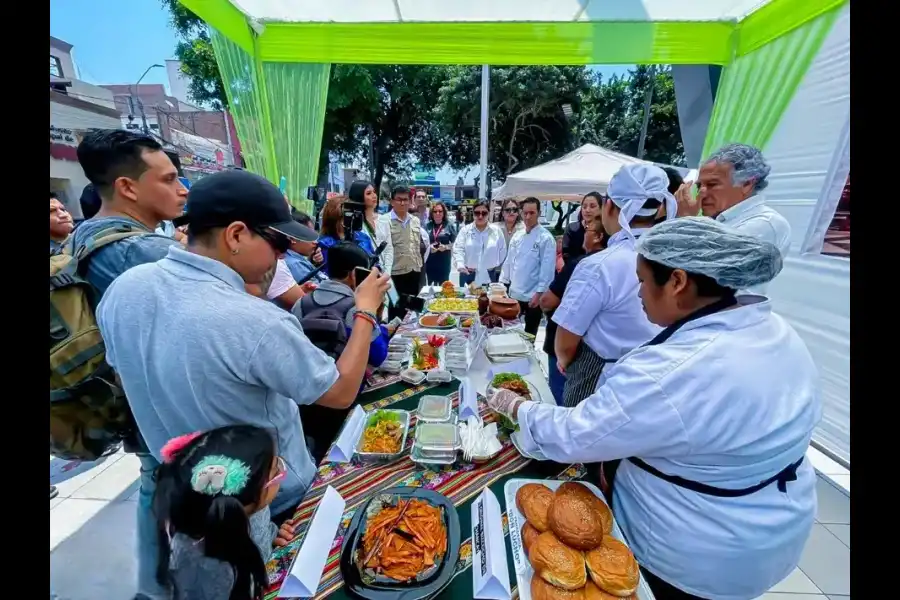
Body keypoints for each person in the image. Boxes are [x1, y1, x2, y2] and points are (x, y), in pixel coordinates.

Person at [489, 217, 820, 600]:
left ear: (678, 282)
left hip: (694, 551)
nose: (639, 293)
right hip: (772, 527)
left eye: (643, 280)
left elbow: (574, 435)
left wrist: (517, 407)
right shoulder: (776, 330)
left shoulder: (673, 372)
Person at [95, 170, 391, 534]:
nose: (281, 258)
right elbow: (341, 391)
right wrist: (364, 310)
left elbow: (129, 376)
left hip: (189, 498)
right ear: (236, 235)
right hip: (270, 503)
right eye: (278, 245)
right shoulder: (255, 321)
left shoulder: (125, 290)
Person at [71, 128, 188, 600]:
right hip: (158, 403)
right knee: (163, 488)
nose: (183, 189)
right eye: (170, 178)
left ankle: (154, 584)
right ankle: (157, 587)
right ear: (127, 187)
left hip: (129, 395)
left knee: (153, 485)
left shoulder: (86, 237)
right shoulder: (137, 251)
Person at [552, 164, 676, 407]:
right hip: (656, 380)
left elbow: (565, 343)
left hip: (599, 380)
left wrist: (568, 363)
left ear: (609, 206)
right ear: (659, 208)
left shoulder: (600, 265)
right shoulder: (674, 255)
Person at [154, 425, 295, 600]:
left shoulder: (244, 507)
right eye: (276, 471)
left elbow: (256, 534)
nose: (282, 471)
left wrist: (271, 535)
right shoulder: (213, 574)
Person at [293, 242, 393, 462]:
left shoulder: (302, 303)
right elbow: (378, 354)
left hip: (306, 398)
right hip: (344, 396)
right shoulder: (355, 308)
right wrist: (377, 318)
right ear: (354, 276)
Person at [676, 143, 791, 294]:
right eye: (699, 186)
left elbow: (706, 268)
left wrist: (686, 221)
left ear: (747, 184)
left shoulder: (765, 223)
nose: (702, 193)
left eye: (712, 184)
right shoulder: (717, 220)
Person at [540, 216, 606, 406]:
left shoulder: (582, 264)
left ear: (598, 237)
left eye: (588, 230)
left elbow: (548, 301)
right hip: (595, 356)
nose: (584, 234)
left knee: (560, 399)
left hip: (568, 348)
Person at [499, 197, 556, 337]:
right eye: (525, 213)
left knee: (529, 335)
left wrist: (539, 293)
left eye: (532, 213)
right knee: (510, 331)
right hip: (514, 293)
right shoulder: (518, 236)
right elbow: (509, 262)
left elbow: (547, 269)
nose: (528, 217)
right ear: (521, 213)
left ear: (539, 213)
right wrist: (502, 284)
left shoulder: (546, 238)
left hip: (533, 296)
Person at [376, 186, 430, 320]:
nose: (402, 203)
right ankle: (394, 336)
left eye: (405, 200)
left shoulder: (415, 220)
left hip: (414, 272)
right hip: (395, 274)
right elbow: (383, 251)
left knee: (414, 310)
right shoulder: (384, 220)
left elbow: (420, 246)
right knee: (396, 310)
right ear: (392, 201)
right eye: (399, 199)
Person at [452, 200, 507, 287]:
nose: (480, 216)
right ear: (473, 214)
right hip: (468, 274)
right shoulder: (465, 230)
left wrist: (492, 265)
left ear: (488, 213)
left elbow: (502, 251)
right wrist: (460, 263)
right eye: (477, 213)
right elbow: (458, 248)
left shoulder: (496, 231)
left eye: (484, 213)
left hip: (490, 275)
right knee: (466, 300)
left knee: (488, 300)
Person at [318, 195, 379, 270]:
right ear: (334, 218)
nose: (351, 219)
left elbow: (375, 264)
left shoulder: (363, 238)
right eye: (345, 217)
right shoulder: (324, 243)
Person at [346, 180, 383, 269]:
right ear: (359, 197)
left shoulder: (383, 219)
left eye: (374, 192)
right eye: (369, 193)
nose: (374, 196)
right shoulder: (354, 223)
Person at [283, 211, 327, 285]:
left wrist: (314, 263)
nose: (315, 242)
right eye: (309, 236)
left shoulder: (297, 258)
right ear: (292, 239)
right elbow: (321, 293)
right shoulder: (295, 264)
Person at [561, 192, 603, 264]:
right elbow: (566, 254)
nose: (587, 210)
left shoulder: (606, 231)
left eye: (592, 206)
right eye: (584, 207)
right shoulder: (572, 228)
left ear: (601, 209)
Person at [423, 201, 457, 285]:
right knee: (430, 288)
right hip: (430, 263)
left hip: (444, 263)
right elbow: (422, 243)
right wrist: (429, 248)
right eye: (435, 211)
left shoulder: (449, 225)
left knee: (443, 287)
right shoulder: (427, 226)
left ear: (444, 213)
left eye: (440, 211)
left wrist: (446, 247)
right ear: (432, 213)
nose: (437, 213)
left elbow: (456, 243)